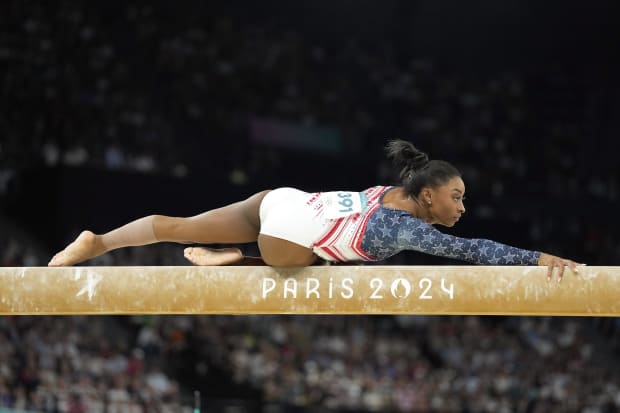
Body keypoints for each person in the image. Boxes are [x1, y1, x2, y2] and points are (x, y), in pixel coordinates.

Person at [49, 140, 583, 280]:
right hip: (286, 239)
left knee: (177, 225)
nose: (463, 206)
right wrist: (537, 258)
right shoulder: (399, 224)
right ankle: (237, 258)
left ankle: (97, 241)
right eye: (457, 196)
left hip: (282, 200)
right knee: (321, 264)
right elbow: (469, 250)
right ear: (427, 197)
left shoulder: (388, 195)